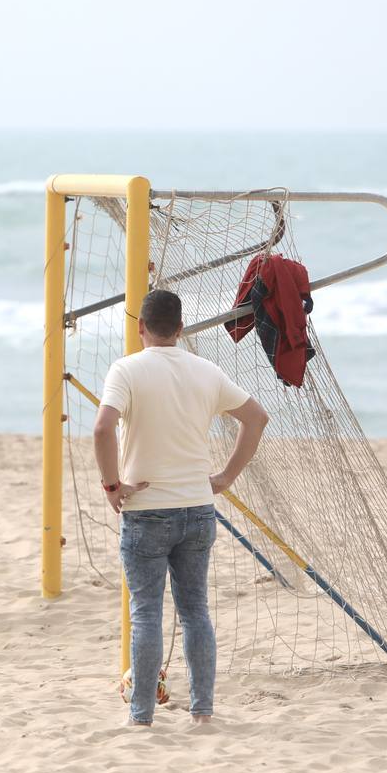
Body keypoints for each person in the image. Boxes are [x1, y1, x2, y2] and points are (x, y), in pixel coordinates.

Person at [93, 289, 269, 726]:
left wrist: (113, 485)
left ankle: (142, 714)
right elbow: (257, 418)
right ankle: (203, 710)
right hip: (197, 508)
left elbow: (102, 428)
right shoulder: (206, 371)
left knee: (147, 611)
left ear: (140, 327)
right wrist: (226, 477)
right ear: (181, 327)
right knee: (195, 611)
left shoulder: (127, 369)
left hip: (147, 507)